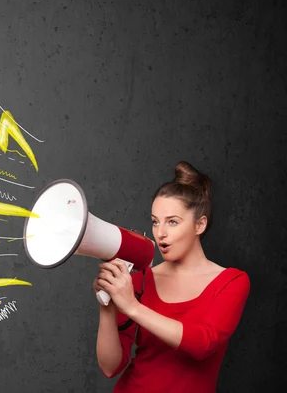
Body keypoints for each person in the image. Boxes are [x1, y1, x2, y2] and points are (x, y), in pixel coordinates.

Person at [93, 161, 250, 393]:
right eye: (155, 222)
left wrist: (132, 307)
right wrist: (107, 306)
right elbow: (110, 367)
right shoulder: (139, 282)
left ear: (200, 225)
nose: (160, 233)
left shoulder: (231, 282)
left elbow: (203, 344)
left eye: (173, 222)